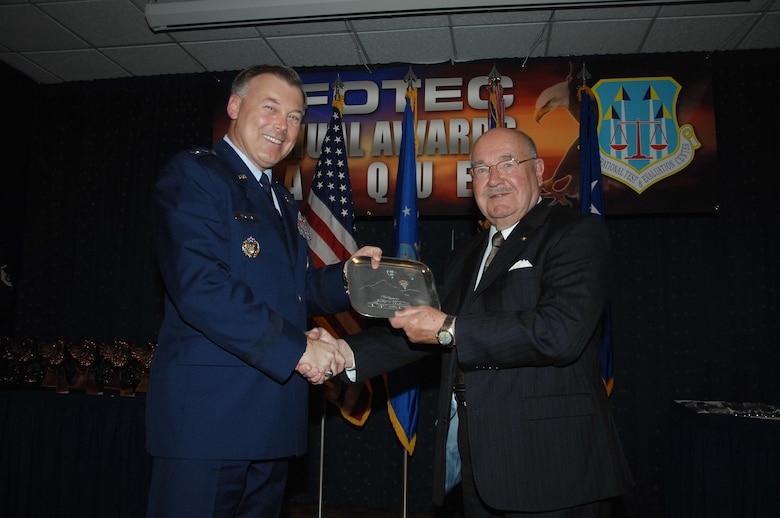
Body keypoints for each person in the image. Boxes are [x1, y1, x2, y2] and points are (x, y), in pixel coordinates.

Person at [311, 128, 634, 516]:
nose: (493, 178)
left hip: (555, 469)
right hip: (477, 468)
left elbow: (559, 333)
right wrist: (341, 351)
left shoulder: (576, 234)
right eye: (480, 169)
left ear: (539, 170)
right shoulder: (465, 255)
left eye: (507, 164)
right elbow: (419, 328)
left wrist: (451, 328)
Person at [146, 64, 381, 518]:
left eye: (295, 116)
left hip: (272, 419)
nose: (283, 125)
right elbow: (202, 288)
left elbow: (292, 292)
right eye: (270, 108)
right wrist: (297, 350)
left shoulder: (281, 199)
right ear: (235, 107)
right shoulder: (197, 175)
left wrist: (350, 277)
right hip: (208, 421)